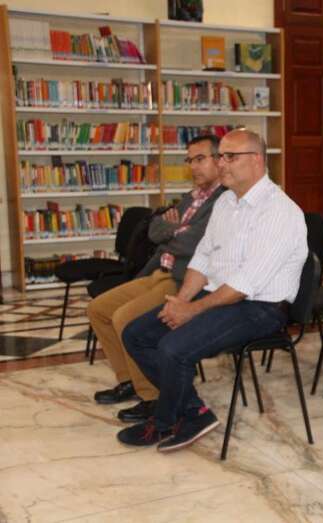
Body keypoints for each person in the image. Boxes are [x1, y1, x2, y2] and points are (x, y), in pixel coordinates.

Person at [117, 129, 307, 452]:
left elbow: (246, 283)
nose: (221, 164)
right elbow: (202, 257)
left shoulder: (280, 212)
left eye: (230, 157)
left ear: (257, 160)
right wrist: (180, 301)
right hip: (221, 295)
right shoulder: (226, 202)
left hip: (260, 307)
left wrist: (191, 311)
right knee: (136, 334)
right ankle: (193, 412)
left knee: (173, 348)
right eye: (220, 156)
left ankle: (166, 422)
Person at [88, 135, 225, 423]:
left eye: (200, 159)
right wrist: (176, 229)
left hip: (182, 280)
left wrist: (173, 230)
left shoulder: (224, 200)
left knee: (124, 318)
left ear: (219, 159)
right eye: (190, 160)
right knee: (98, 309)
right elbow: (154, 230)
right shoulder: (193, 196)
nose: (193, 166)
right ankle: (129, 380)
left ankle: (152, 396)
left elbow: (194, 244)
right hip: (157, 271)